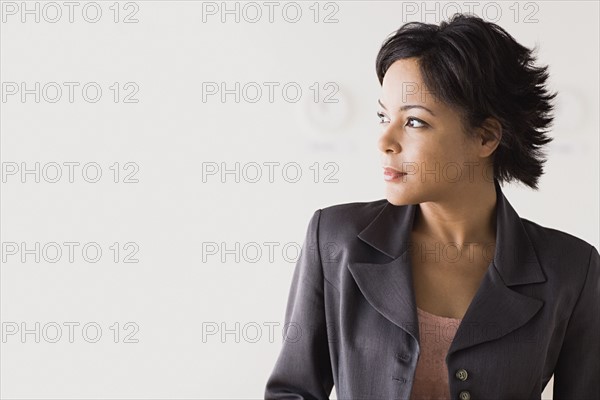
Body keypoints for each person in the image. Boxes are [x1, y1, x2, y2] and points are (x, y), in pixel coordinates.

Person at [264, 13, 599, 400]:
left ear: (486, 136)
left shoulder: (572, 269)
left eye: (415, 122)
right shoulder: (334, 239)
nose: (384, 141)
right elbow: (293, 392)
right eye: (383, 117)